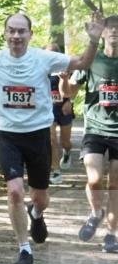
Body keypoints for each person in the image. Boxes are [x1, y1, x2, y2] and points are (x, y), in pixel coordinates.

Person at [0, 9, 105, 264]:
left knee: (40, 198)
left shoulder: (43, 58)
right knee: (15, 191)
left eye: (21, 31)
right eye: (12, 31)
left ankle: (36, 214)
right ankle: (24, 250)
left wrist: (94, 40)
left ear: (30, 34)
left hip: (38, 136)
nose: (16, 35)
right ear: (5, 34)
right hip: (9, 136)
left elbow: (82, 63)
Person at [61, 14, 118, 252]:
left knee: (115, 183)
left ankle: (112, 234)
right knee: (94, 179)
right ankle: (96, 212)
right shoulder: (92, 60)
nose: (114, 31)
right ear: (102, 32)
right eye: (110, 28)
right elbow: (69, 92)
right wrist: (64, 80)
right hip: (95, 128)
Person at [45, 43, 75, 185]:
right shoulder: (40, 67)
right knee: (51, 139)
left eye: (53, 53)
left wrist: (69, 101)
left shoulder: (65, 67)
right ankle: (56, 171)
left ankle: (67, 152)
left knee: (65, 142)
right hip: (48, 108)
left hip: (64, 107)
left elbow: (73, 87)